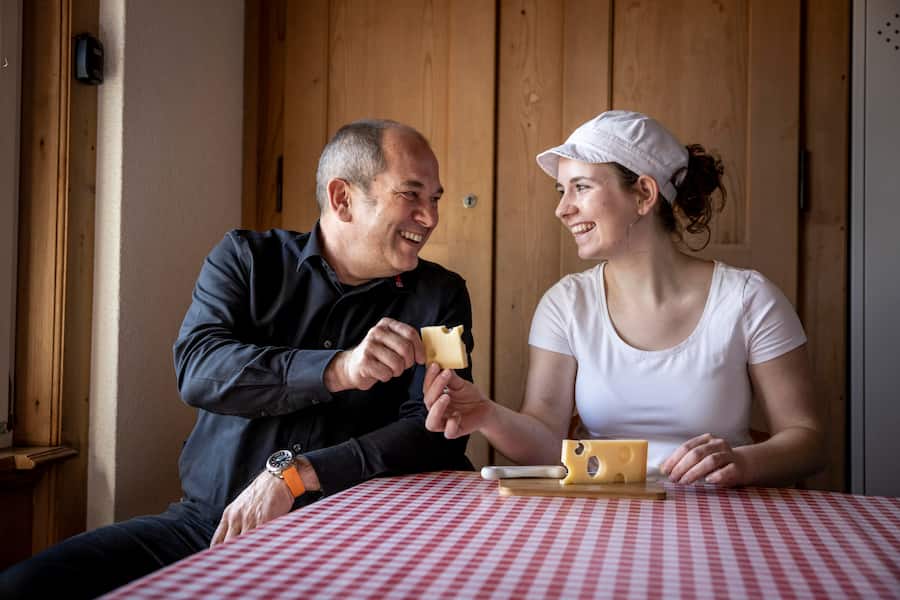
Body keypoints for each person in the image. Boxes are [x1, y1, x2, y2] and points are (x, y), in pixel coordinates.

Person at [0, 119, 474, 598]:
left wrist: (297, 474)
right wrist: (338, 369)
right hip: (209, 527)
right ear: (342, 198)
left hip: (354, 541)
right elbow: (199, 369)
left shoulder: (440, 296)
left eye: (434, 199)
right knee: (25, 587)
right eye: (411, 195)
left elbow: (434, 434)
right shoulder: (246, 260)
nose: (430, 217)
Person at [424, 110, 825, 487]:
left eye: (581, 187)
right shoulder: (565, 305)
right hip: (599, 515)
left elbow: (808, 440)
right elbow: (546, 441)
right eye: (562, 190)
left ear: (644, 194)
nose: (562, 209)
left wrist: (744, 462)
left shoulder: (749, 299)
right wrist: (487, 415)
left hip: (716, 517)